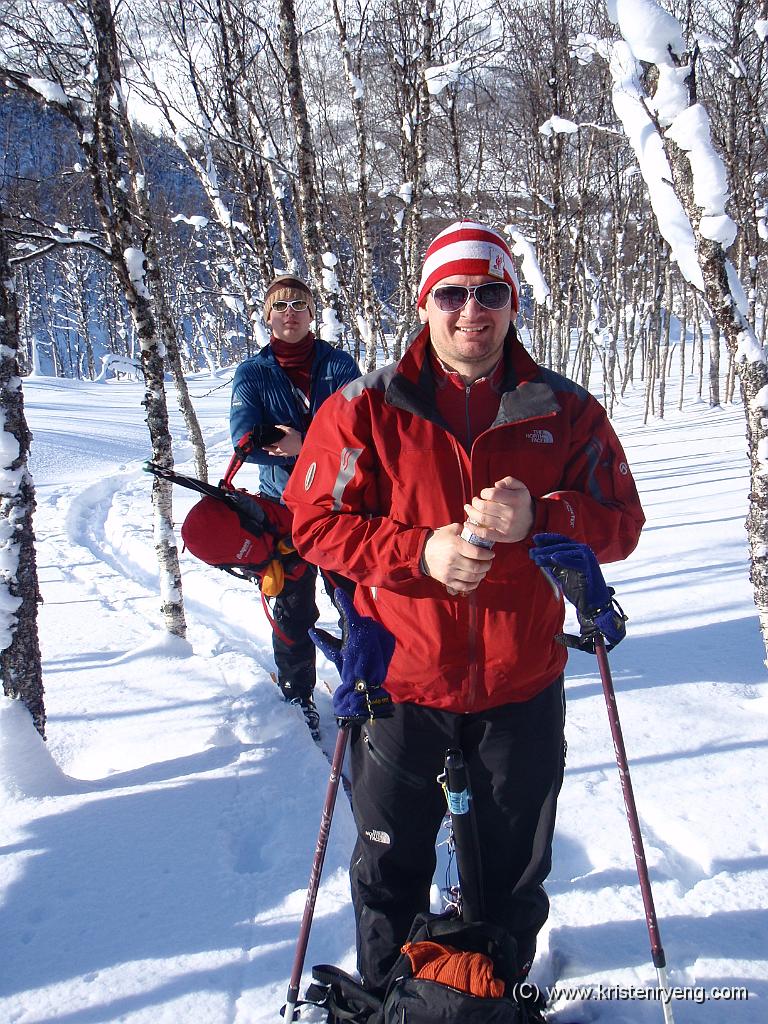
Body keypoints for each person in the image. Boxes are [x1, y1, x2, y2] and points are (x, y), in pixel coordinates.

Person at [283, 221, 645, 997]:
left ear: (512, 303)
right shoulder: (365, 408)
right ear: (425, 304)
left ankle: (497, 998)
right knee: (389, 873)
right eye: (451, 293)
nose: (470, 310)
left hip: (521, 683)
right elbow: (310, 522)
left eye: (490, 292)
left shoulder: (565, 408)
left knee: (511, 878)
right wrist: (420, 554)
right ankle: (389, 1003)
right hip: (401, 683)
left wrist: (543, 518)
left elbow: (622, 521)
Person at [230, 273, 360, 737]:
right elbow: (244, 439)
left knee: (355, 601)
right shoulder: (252, 373)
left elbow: (359, 433)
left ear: (312, 314)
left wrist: (303, 443)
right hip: (282, 510)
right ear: (267, 317)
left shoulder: (339, 366)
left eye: (299, 305)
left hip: (342, 505)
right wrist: (273, 441)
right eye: (280, 306)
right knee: (292, 608)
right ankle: (298, 694)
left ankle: (363, 681)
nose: (290, 313)